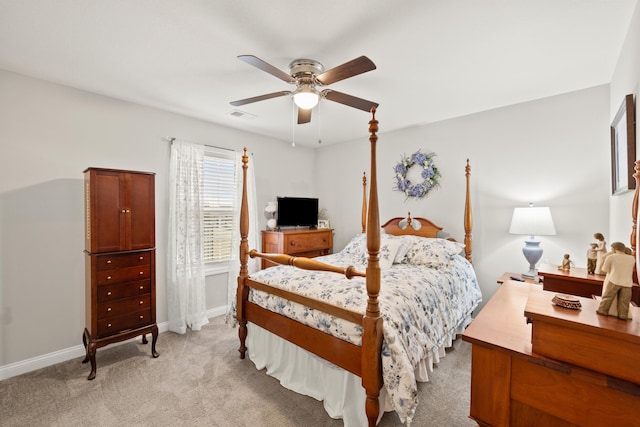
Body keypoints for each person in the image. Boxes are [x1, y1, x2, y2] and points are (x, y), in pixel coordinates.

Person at [596, 241, 635, 320]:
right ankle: (623, 315)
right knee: (624, 301)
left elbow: (605, 269)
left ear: (614, 249)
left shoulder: (612, 257)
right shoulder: (631, 258)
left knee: (607, 297)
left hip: (614, 280)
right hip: (627, 282)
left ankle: (602, 310)